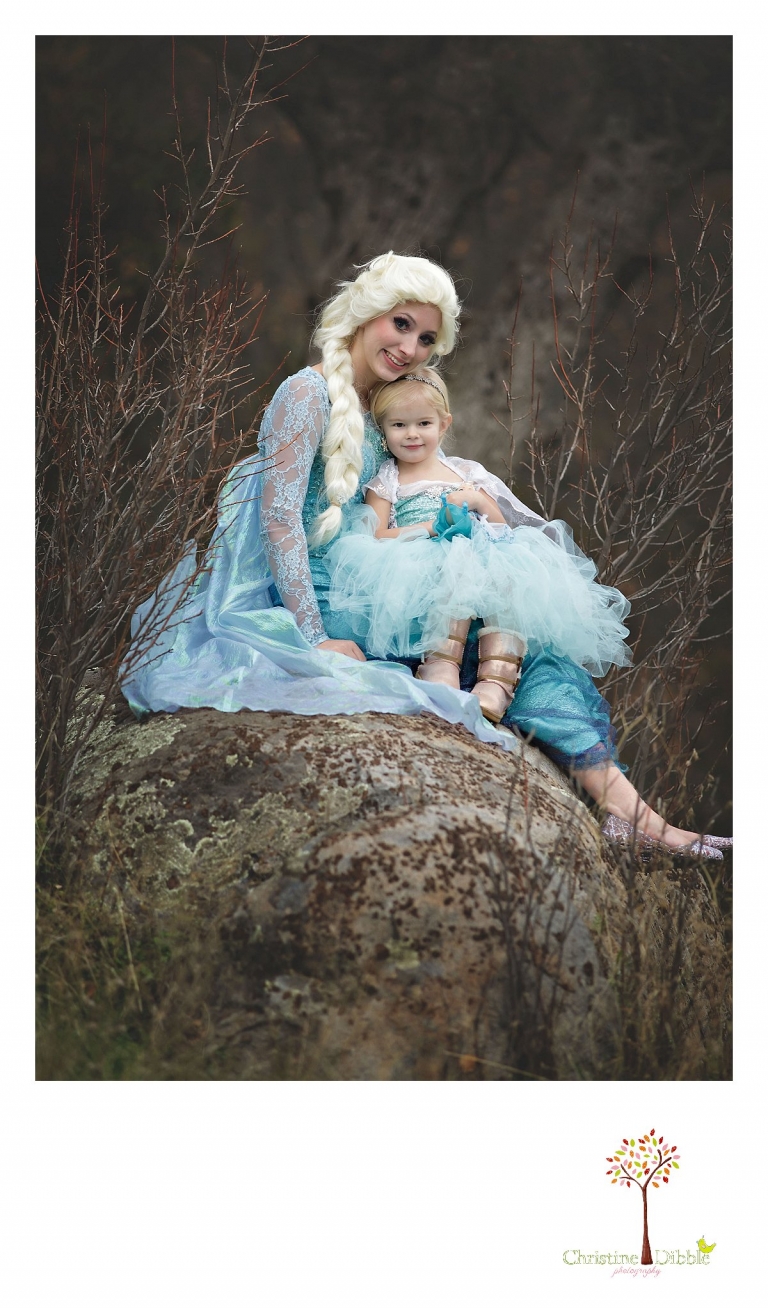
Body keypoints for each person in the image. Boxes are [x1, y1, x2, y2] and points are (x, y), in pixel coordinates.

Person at [122, 251, 729, 859]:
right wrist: (311, 636)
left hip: (382, 584)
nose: (411, 346)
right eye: (401, 324)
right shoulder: (306, 393)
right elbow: (280, 520)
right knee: (488, 651)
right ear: (367, 313)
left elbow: (424, 491)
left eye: (427, 338)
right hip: (331, 591)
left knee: (526, 644)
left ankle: (638, 821)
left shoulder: (387, 408)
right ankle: (639, 819)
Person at [323, 365, 633, 724]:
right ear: (383, 430)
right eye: (399, 425)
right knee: (455, 569)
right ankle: (441, 667)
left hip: (480, 549)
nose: (412, 434)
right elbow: (376, 535)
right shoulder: (387, 479)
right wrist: (428, 528)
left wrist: (480, 502)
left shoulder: (465, 473)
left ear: (444, 424)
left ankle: (497, 682)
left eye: (423, 424)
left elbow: (503, 528)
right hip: (419, 555)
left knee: (508, 574)